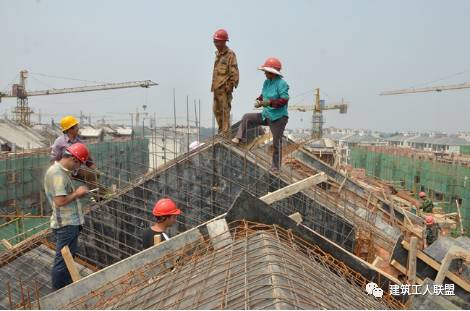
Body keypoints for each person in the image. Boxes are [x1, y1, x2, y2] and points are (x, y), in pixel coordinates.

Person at [44, 143, 90, 290]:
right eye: (78, 165)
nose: (77, 168)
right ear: (74, 159)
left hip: (69, 223)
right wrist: (77, 193)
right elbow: (60, 201)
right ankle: (58, 295)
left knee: (67, 259)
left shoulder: (61, 172)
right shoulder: (57, 174)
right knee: (62, 262)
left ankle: (67, 288)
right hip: (66, 224)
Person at [232, 57, 289, 172]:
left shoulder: (282, 84)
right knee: (247, 117)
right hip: (266, 115)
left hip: (278, 118)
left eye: (266, 72)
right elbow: (263, 95)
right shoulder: (266, 82)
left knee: (276, 142)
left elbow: (284, 99)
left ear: (272, 72)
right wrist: (259, 100)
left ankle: (275, 167)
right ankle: (239, 138)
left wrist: (270, 102)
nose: (264, 74)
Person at [51, 115, 102, 196]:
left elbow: (87, 160)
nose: (78, 128)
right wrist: (58, 173)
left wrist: (96, 169)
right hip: (64, 170)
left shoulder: (79, 142)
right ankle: (99, 196)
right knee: (90, 176)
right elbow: (54, 158)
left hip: (75, 171)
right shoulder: (59, 142)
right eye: (76, 127)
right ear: (69, 129)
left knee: (94, 175)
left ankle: (99, 195)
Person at [211, 29, 239, 136]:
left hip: (224, 87)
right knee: (216, 110)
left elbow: (234, 70)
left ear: (224, 41)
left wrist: (231, 84)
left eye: (217, 41)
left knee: (224, 109)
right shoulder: (218, 54)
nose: (216, 44)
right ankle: (221, 129)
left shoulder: (230, 54)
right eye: (215, 41)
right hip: (217, 87)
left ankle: (226, 132)